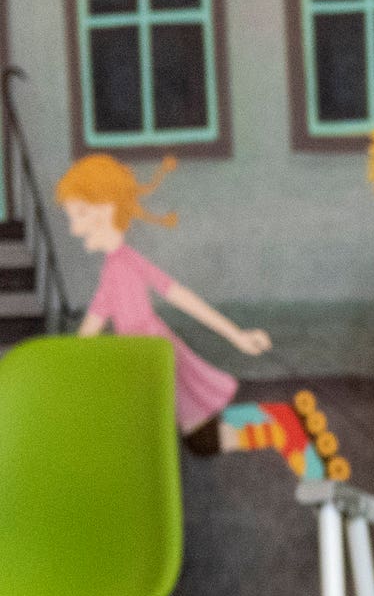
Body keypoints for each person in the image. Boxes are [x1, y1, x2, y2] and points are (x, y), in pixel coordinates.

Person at [60, 155, 332, 476]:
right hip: (140, 360)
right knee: (198, 440)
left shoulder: (126, 263)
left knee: (187, 438)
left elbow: (181, 296)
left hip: (156, 355)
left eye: (80, 214)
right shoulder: (112, 269)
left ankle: (284, 426)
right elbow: (88, 331)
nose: (73, 228)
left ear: (105, 209)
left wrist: (236, 335)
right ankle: (282, 425)